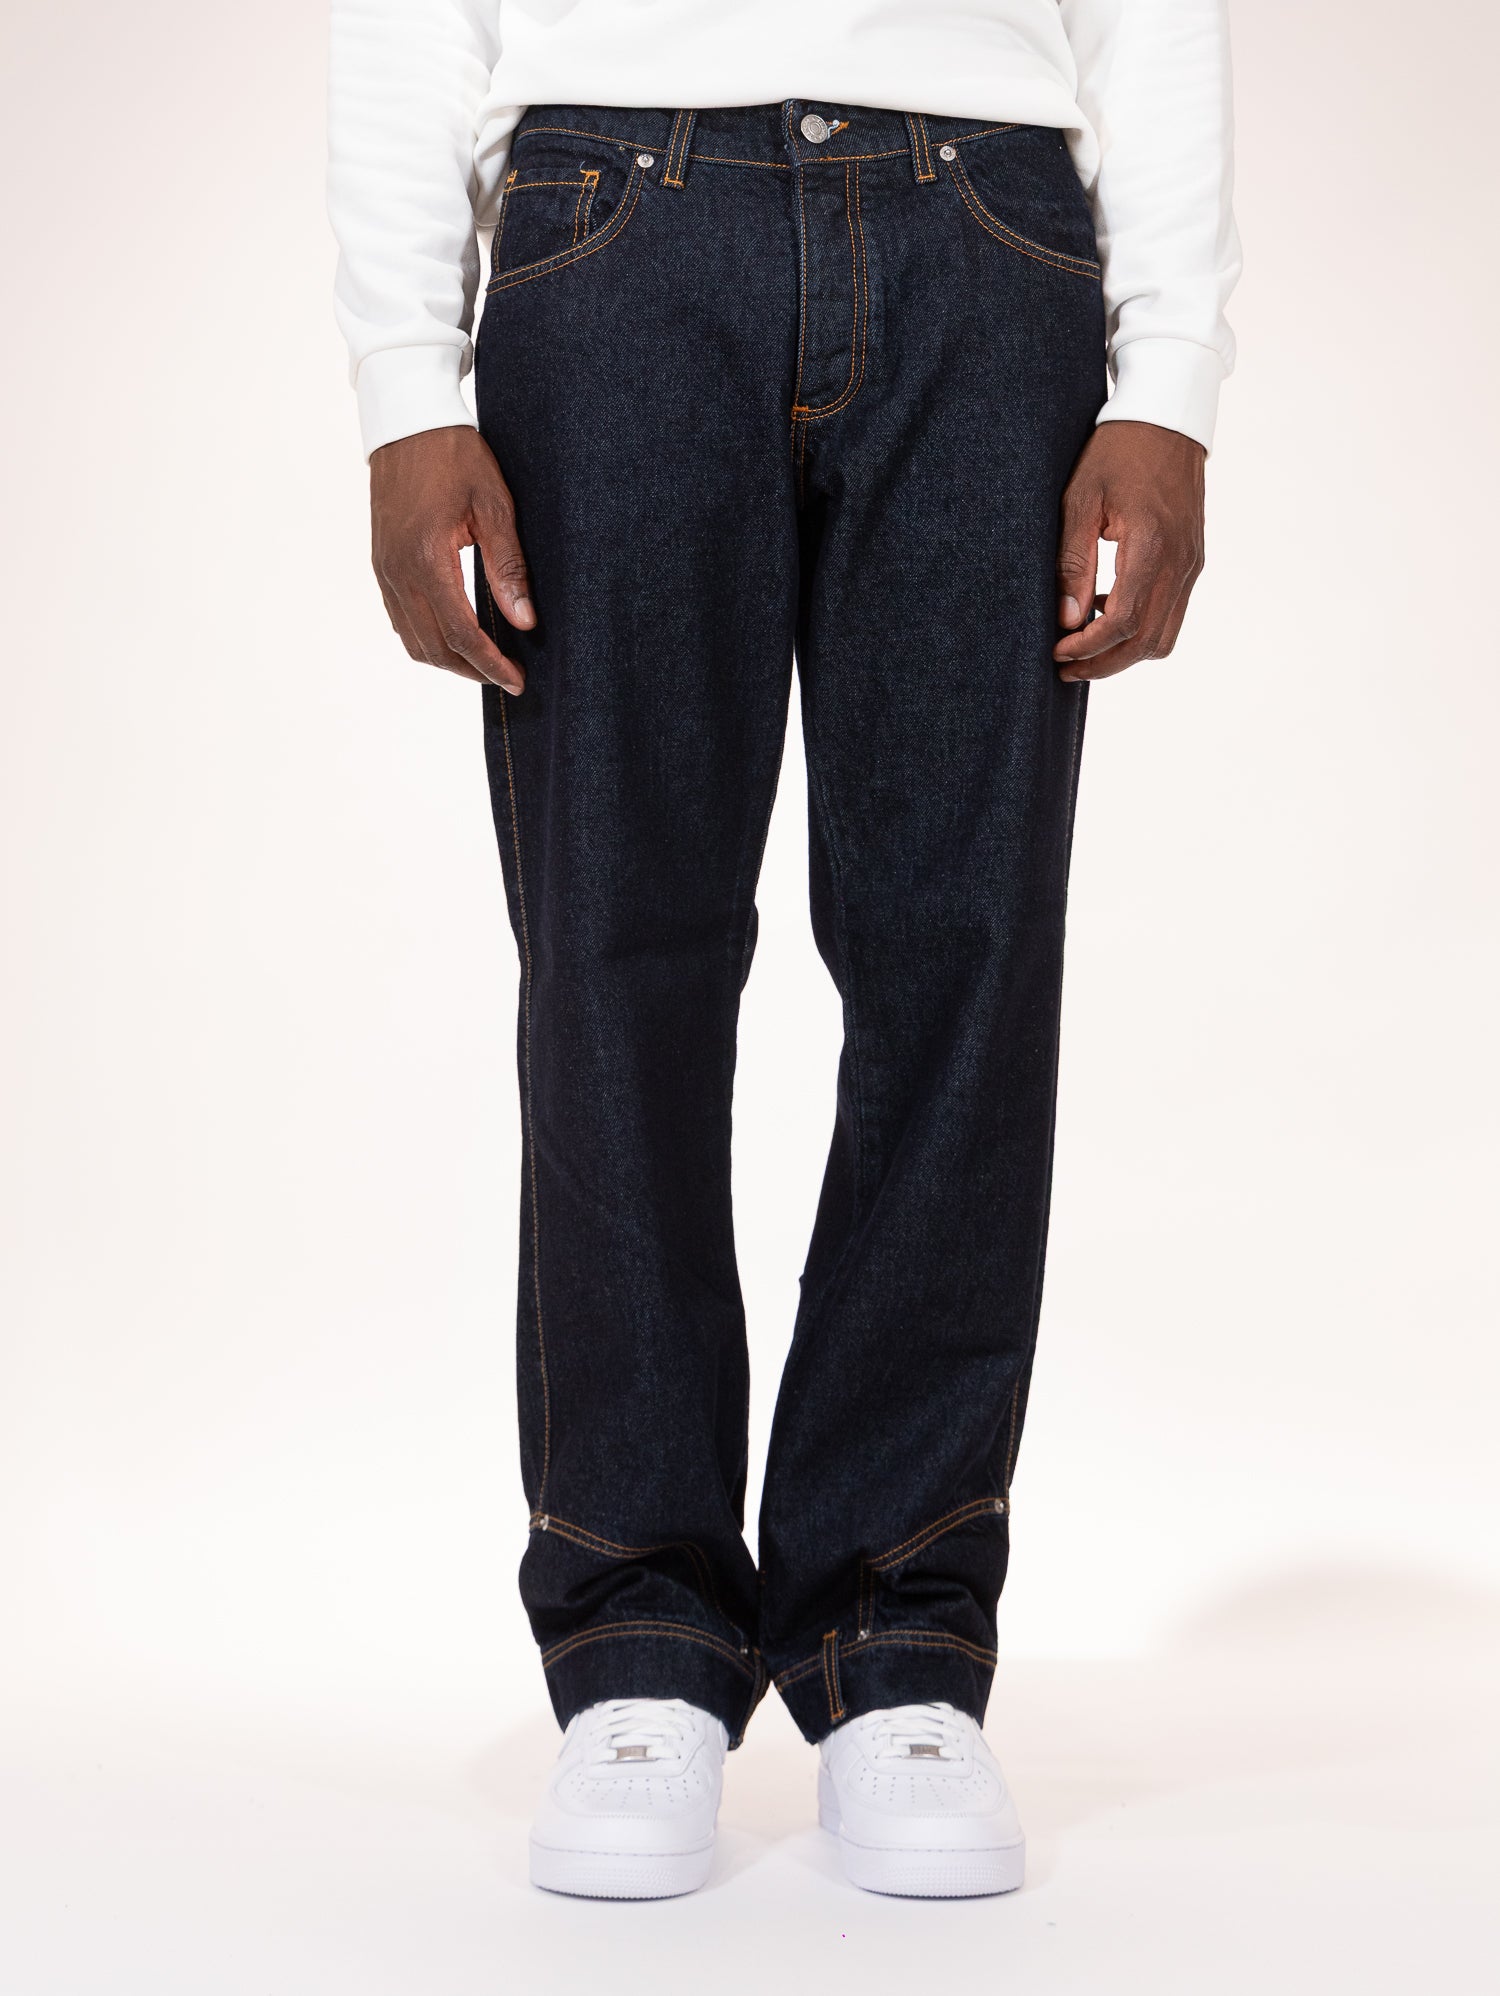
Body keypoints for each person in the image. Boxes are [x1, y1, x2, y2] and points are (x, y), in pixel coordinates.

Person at [327, 0, 1238, 1901]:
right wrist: (407, 384)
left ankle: (899, 1634)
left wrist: (1170, 383)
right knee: (616, 954)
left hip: (988, 232)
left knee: (963, 956)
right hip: (612, 226)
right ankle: (637, 1635)